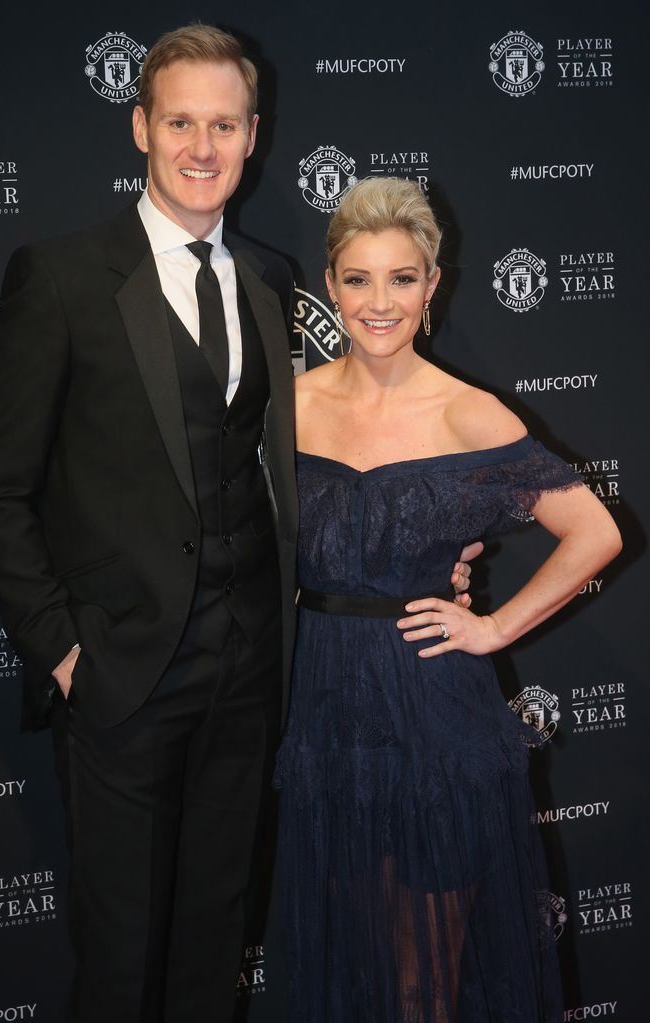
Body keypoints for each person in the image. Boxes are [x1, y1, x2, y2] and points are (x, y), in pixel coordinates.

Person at [0, 24, 299, 1023]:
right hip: (120, 682)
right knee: (117, 966)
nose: (204, 147)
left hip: (245, 679)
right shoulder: (62, 278)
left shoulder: (271, 281)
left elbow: (281, 468)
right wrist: (64, 650)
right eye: (182, 121)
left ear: (252, 136)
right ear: (141, 129)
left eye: (225, 124)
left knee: (210, 948)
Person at [274, 176, 622, 1023]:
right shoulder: (290, 407)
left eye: (401, 278)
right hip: (323, 715)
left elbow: (595, 533)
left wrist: (492, 624)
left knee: (420, 981)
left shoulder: (469, 415)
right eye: (357, 278)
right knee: (346, 965)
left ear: (433, 286)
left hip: (432, 711)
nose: (378, 301)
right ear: (330, 286)